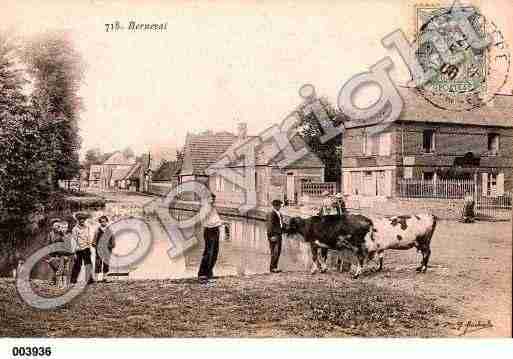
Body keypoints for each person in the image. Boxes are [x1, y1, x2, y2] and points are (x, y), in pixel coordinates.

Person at [198, 194, 222, 284]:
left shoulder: (213, 208)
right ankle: (202, 274)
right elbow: (202, 220)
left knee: (215, 253)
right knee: (208, 253)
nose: (213, 200)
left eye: (213, 199)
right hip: (210, 231)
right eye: (211, 199)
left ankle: (209, 272)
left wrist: (218, 224)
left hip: (216, 230)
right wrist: (212, 225)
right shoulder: (205, 208)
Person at [70, 213, 94, 285]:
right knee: (77, 264)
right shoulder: (75, 229)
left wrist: (90, 247)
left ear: (85, 220)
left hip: (86, 248)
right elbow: (74, 240)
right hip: (79, 249)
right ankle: (73, 280)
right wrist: (73, 251)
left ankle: (89, 279)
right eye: (80, 219)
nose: (82, 221)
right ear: (78, 220)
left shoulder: (87, 227)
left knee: (88, 264)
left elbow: (89, 238)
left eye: (83, 219)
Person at [92, 215, 116, 282]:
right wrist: (96, 246)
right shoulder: (97, 230)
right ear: (100, 222)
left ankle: (105, 277)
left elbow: (113, 240)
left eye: (104, 222)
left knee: (106, 263)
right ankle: (96, 278)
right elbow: (94, 241)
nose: (103, 223)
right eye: (101, 222)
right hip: (99, 249)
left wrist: (111, 246)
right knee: (98, 263)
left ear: (107, 222)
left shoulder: (110, 230)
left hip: (107, 249)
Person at [266, 199, 284, 273]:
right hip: (274, 235)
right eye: (279, 205)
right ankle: (272, 268)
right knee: (275, 252)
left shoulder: (278, 213)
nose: (280, 206)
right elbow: (270, 226)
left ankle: (274, 267)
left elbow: (280, 224)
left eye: (280, 205)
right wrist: (270, 236)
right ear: (275, 206)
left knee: (278, 251)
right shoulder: (271, 214)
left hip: (278, 234)